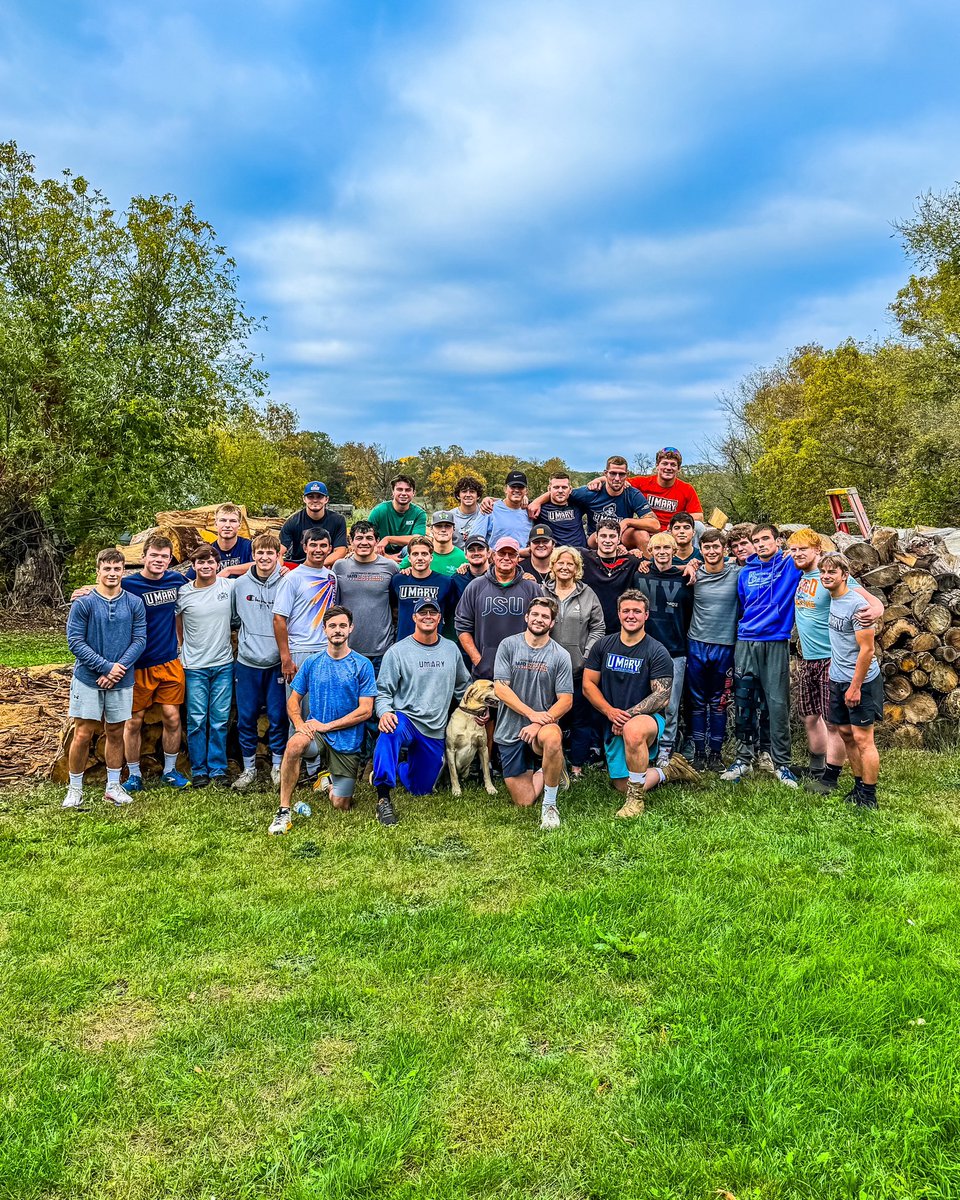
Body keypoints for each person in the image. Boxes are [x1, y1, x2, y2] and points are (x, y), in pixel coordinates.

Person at [583, 590, 700, 818]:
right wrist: (610, 712)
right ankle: (669, 770)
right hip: (612, 719)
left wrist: (625, 716)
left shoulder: (656, 651)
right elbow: (588, 684)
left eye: (637, 611)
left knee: (633, 730)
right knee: (620, 784)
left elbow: (662, 696)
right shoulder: (603, 646)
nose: (631, 615)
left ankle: (636, 800)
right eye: (626, 610)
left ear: (646, 615)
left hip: (647, 720)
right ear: (618, 614)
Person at [785, 529, 883, 790]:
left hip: (831, 658)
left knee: (833, 722)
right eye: (793, 550)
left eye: (803, 549)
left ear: (817, 549)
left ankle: (831, 776)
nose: (797, 554)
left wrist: (875, 611)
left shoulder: (832, 576)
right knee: (809, 716)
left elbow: (873, 603)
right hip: (809, 658)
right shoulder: (803, 575)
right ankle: (817, 767)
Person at [271, 606, 377, 834]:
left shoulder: (362, 665)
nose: (337, 630)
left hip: (347, 739)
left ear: (351, 628)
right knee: (294, 744)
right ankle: (283, 811)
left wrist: (327, 725)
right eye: (332, 626)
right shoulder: (312, 662)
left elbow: (366, 711)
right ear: (324, 630)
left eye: (342, 626)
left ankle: (329, 781)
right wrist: (300, 725)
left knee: (341, 804)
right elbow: (293, 700)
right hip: (315, 734)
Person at [372, 598, 471, 825]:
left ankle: (400, 768)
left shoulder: (450, 649)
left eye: (433, 612)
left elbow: (462, 688)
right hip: (405, 719)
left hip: (434, 728)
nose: (428, 616)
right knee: (390, 730)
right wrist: (385, 712)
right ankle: (383, 797)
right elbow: (383, 691)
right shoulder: (397, 652)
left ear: (440, 618)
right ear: (414, 617)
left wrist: (476, 711)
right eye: (422, 612)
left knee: (422, 789)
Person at [62, 549, 147, 809]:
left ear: (123, 571)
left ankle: (112, 786)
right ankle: (75, 789)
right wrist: (105, 667)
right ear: (98, 571)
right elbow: (75, 641)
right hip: (89, 678)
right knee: (83, 733)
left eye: (117, 569)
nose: (112, 574)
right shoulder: (84, 603)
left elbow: (140, 639)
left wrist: (118, 668)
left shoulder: (134, 603)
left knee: (115, 731)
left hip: (121, 679)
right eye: (107, 569)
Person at [720, 524, 800, 787]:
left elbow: (815, 557)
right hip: (747, 640)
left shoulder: (789, 565)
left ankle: (782, 763)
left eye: (766, 539)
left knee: (777, 704)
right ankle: (743, 758)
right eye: (757, 540)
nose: (761, 544)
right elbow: (744, 604)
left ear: (777, 541)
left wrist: (793, 553)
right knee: (744, 699)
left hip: (775, 640)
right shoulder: (746, 573)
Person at [114, 534, 191, 791]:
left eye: (164, 557)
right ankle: (134, 774)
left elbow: (205, 580)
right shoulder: (129, 584)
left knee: (172, 716)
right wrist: (85, 590)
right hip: (138, 664)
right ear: (144, 557)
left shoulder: (176, 580)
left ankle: (170, 770)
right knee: (134, 720)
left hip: (169, 660)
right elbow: (104, 590)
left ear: (170, 560)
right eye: (154, 556)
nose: (159, 560)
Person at [493, 597, 574, 830]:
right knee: (524, 801)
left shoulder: (560, 655)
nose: (539, 619)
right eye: (535, 615)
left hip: (542, 728)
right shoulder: (508, 645)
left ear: (552, 623)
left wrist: (539, 723)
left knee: (552, 736)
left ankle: (550, 805)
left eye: (545, 617)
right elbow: (500, 687)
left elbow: (566, 700)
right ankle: (553, 768)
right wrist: (531, 715)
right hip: (511, 729)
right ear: (527, 617)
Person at [819, 553, 882, 808]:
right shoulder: (832, 597)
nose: (826, 576)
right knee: (845, 733)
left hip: (862, 681)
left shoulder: (857, 606)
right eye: (823, 572)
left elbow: (867, 650)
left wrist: (855, 687)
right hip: (838, 677)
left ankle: (869, 795)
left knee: (863, 738)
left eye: (832, 572)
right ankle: (858, 786)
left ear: (845, 575)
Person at [175, 544, 235, 788]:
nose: (206, 566)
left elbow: (259, 568)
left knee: (220, 719)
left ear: (218, 565)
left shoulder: (228, 587)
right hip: (195, 665)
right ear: (193, 566)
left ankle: (218, 768)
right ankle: (199, 769)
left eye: (210, 562)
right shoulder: (183, 593)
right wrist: (182, 645)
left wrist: (231, 572)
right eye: (201, 562)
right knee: (197, 719)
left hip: (223, 663)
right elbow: (177, 622)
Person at [543, 547, 605, 779]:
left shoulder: (587, 594)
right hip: (547, 670)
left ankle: (577, 766)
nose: (565, 567)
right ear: (553, 566)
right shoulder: (543, 591)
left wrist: (587, 653)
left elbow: (598, 626)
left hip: (578, 669)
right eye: (560, 563)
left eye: (570, 564)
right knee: (550, 717)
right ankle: (550, 763)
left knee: (581, 719)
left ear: (577, 568)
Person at [232, 533, 287, 792]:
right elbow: (233, 619)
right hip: (247, 662)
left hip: (277, 662)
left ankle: (278, 766)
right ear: (253, 555)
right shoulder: (239, 585)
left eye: (270, 553)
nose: (265, 558)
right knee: (246, 717)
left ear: (278, 556)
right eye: (260, 553)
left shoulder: (286, 582)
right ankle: (249, 768)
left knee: (278, 716)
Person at [633, 532, 693, 765]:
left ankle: (666, 748)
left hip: (675, 648)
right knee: (643, 700)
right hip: (643, 649)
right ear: (650, 551)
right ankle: (644, 745)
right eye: (656, 548)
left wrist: (692, 565)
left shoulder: (685, 577)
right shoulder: (640, 574)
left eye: (666, 548)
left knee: (670, 703)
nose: (661, 552)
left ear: (674, 551)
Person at [685, 529, 740, 770]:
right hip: (697, 643)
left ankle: (715, 753)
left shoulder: (737, 573)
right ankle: (698, 752)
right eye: (706, 547)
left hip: (725, 645)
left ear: (724, 549)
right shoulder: (693, 573)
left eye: (716, 547)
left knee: (719, 702)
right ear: (701, 549)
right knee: (697, 702)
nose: (711, 551)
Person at [455, 537, 543, 679]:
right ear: (493, 555)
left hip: (523, 670)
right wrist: (478, 660)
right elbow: (462, 626)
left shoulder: (531, 588)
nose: (506, 558)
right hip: (485, 670)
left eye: (511, 554)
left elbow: (543, 627)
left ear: (518, 558)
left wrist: (533, 660)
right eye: (502, 553)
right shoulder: (476, 586)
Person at [273, 529, 339, 688]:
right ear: (305, 548)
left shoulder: (331, 576)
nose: (318, 550)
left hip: (327, 648)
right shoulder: (292, 578)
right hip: (300, 649)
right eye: (313, 545)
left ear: (329, 548)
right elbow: (278, 619)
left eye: (323, 545)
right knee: (299, 705)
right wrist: (286, 658)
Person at [331, 521, 398, 675]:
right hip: (347, 648)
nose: (364, 542)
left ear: (376, 541)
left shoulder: (390, 567)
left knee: (377, 697)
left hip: (381, 649)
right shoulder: (340, 566)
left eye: (369, 538)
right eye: (359, 538)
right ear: (351, 541)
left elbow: (396, 604)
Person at [552, 455, 658, 551]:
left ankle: (650, 568)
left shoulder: (632, 494)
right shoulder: (591, 492)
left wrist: (627, 522)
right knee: (604, 531)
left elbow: (655, 525)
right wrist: (537, 502)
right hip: (596, 540)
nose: (617, 478)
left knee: (641, 535)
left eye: (621, 474)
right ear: (605, 473)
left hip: (620, 539)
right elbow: (562, 493)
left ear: (627, 475)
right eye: (613, 473)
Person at [580, 518, 643, 633]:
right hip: (588, 627)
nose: (607, 540)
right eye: (603, 536)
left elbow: (654, 566)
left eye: (612, 536)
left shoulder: (632, 562)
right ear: (596, 538)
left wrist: (644, 561)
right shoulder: (583, 557)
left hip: (619, 628)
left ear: (619, 539)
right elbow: (554, 556)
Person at [390, 536, 456, 640]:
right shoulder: (398, 580)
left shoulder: (446, 582)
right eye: (415, 554)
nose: (420, 558)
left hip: (434, 643)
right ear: (409, 558)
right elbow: (392, 608)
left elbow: (450, 613)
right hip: (403, 642)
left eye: (424, 554)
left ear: (431, 557)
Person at [628, 447, 704, 530]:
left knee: (699, 527)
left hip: (673, 532)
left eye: (673, 464)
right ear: (657, 466)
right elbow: (617, 483)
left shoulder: (687, 489)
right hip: (648, 531)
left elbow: (699, 516)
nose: (668, 468)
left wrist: (676, 522)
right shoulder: (641, 483)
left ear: (678, 469)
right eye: (665, 463)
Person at [280, 482, 348, 567]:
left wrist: (318, 565)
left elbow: (340, 551)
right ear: (304, 499)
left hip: (326, 565)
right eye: (311, 497)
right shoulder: (292, 522)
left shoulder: (338, 520)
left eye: (319, 497)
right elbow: (279, 551)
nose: (315, 500)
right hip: (298, 566)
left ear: (326, 499)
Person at [184, 503, 253, 579]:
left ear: (239, 525)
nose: (227, 525)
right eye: (223, 520)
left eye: (233, 521)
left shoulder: (249, 546)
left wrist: (228, 570)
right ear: (216, 524)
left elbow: (261, 565)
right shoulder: (207, 551)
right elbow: (188, 579)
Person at [368, 475, 428, 559]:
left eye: (408, 490)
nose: (403, 493)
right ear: (393, 492)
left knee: (415, 548)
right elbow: (367, 537)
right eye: (399, 489)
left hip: (408, 555)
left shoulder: (419, 513)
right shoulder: (379, 511)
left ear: (413, 493)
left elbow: (417, 539)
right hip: (380, 554)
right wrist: (387, 557)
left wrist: (388, 539)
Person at [399, 512, 467, 576]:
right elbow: (399, 571)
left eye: (447, 526)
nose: (443, 530)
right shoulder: (420, 553)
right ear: (431, 529)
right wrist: (405, 571)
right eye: (438, 526)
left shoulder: (463, 558)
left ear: (453, 529)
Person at [534, 471, 588, 547]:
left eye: (564, 487)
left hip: (580, 553)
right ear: (549, 489)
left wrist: (599, 480)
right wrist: (524, 499)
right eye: (556, 487)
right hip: (555, 555)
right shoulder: (540, 509)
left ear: (570, 489)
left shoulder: (578, 505)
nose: (560, 491)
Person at [485, 470, 534, 548]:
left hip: (524, 559)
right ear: (505, 489)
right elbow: (476, 539)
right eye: (513, 486)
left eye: (520, 487)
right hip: (497, 558)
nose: (517, 490)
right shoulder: (489, 508)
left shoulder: (531, 510)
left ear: (526, 491)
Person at [451, 476, 488, 550]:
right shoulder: (450, 516)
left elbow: (506, 503)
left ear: (478, 496)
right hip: (458, 559)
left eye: (472, 491)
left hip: (480, 557)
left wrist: (490, 498)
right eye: (464, 491)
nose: (468, 495)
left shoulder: (486, 511)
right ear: (458, 495)